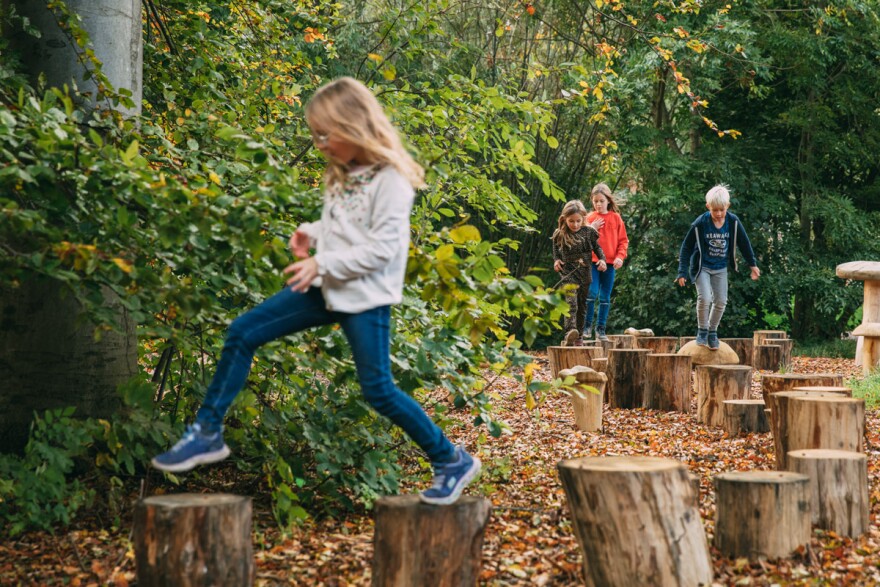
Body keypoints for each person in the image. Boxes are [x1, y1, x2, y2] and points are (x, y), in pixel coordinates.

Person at [151, 77, 481, 506]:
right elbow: (343, 228)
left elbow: (381, 249)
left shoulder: (392, 181)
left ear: (355, 126)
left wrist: (320, 262)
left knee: (378, 390)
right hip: (326, 288)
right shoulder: (340, 176)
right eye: (315, 135)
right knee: (243, 332)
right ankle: (207, 431)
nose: (321, 144)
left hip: (365, 298)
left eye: (327, 134)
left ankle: (451, 459)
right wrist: (310, 231)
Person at [675, 184, 760, 350]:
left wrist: (752, 264)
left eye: (722, 210)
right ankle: (702, 330)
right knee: (705, 298)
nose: (719, 214)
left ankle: (712, 331)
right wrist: (682, 272)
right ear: (708, 207)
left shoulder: (733, 221)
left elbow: (744, 243)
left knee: (721, 301)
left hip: (720, 267)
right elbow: (686, 247)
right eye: (715, 210)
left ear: (727, 206)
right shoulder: (700, 223)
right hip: (702, 267)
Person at [552, 200, 606, 346]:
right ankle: (570, 332)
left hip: (585, 274)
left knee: (582, 305)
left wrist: (602, 260)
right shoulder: (560, 234)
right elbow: (556, 251)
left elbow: (598, 249)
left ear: (583, 218)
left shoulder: (589, 232)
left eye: (578, 221)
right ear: (564, 219)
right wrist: (556, 261)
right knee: (571, 304)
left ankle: (579, 336)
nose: (575, 225)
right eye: (571, 221)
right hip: (568, 274)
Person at [583, 183, 629, 342]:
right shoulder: (589, 218)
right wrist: (591, 228)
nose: (598, 204)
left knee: (605, 297)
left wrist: (620, 257)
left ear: (608, 200)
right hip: (593, 262)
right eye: (595, 201)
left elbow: (623, 241)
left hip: (610, 264)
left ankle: (600, 329)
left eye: (601, 201)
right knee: (591, 292)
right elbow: (580, 241)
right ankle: (586, 326)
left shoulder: (615, 218)